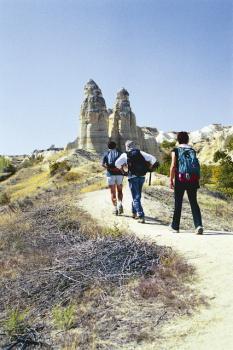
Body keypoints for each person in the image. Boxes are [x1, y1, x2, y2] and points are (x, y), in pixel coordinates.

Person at [169, 131, 203, 234]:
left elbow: (173, 165)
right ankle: (198, 225)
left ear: (178, 140)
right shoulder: (192, 150)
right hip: (193, 179)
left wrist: (171, 179)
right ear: (187, 139)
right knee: (193, 202)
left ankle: (175, 227)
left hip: (180, 178)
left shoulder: (176, 150)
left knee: (178, 202)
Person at [115, 140, 157, 223]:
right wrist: (149, 168)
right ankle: (134, 213)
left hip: (132, 177)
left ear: (126, 146)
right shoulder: (141, 152)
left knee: (136, 197)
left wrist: (123, 170)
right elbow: (154, 159)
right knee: (137, 196)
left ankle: (141, 216)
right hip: (142, 176)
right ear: (134, 146)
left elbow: (116, 164)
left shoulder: (125, 154)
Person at [102, 141, 124, 215]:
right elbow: (124, 163)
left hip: (110, 175)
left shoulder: (106, 153)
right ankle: (120, 203)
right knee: (120, 190)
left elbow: (103, 164)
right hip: (119, 174)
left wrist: (109, 169)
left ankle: (115, 209)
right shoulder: (120, 153)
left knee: (113, 192)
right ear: (115, 146)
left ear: (108, 147)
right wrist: (120, 169)